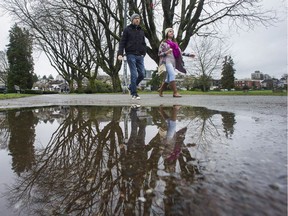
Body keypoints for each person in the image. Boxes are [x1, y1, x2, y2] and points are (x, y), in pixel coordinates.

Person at [158, 28, 195, 97]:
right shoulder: (163, 43)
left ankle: (161, 91)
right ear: (166, 33)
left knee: (168, 79)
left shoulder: (175, 44)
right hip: (166, 61)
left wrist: (189, 55)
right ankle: (175, 92)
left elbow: (180, 52)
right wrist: (167, 52)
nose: (172, 32)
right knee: (172, 74)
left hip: (173, 62)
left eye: (172, 32)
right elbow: (159, 53)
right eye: (170, 31)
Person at [118, 13, 146, 100]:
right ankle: (134, 93)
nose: (137, 20)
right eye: (135, 18)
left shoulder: (141, 31)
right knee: (134, 74)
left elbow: (143, 43)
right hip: (131, 54)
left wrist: (144, 52)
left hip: (140, 55)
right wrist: (120, 54)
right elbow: (122, 42)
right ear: (132, 20)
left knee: (142, 74)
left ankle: (131, 86)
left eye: (139, 18)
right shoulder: (127, 30)